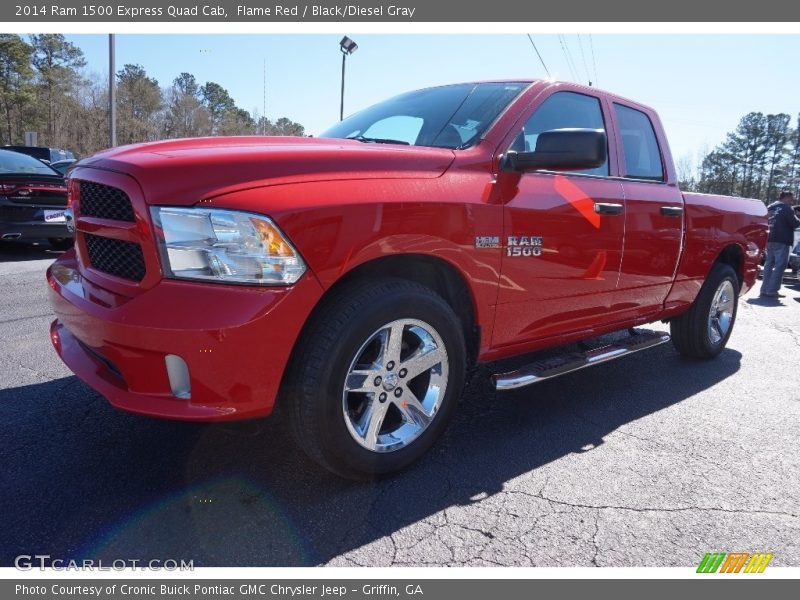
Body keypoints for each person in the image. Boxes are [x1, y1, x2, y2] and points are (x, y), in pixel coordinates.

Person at [760, 191, 800, 298]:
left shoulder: (770, 207)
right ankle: (772, 290)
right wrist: (797, 216)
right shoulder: (787, 208)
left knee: (768, 264)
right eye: (791, 199)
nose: (792, 201)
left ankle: (764, 289)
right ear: (785, 197)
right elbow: (795, 223)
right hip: (782, 240)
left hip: (770, 238)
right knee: (780, 266)